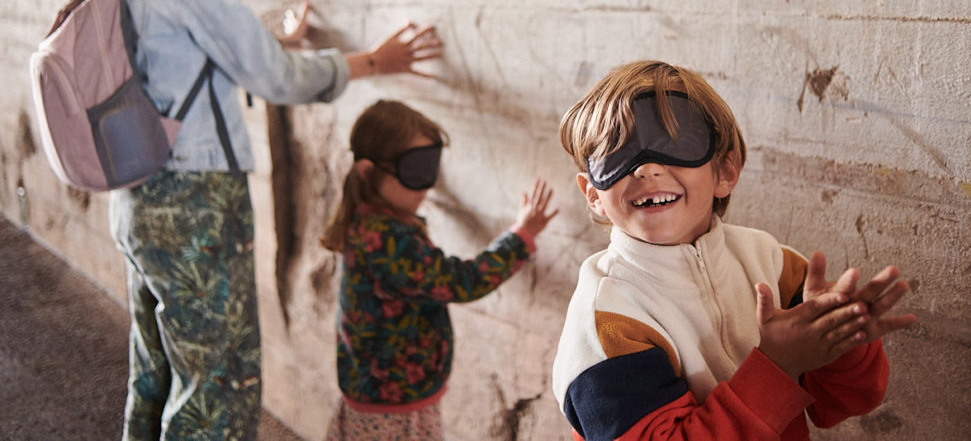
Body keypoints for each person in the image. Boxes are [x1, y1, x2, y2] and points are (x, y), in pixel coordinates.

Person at [108, 0, 443, 440]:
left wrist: (270, 38)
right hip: (195, 203)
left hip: (137, 196)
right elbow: (272, 79)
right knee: (218, 389)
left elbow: (186, 57)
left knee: (155, 374)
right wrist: (373, 61)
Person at [552, 60, 916, 440]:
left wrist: (842, 344)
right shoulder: (606, 320)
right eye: (618, 155)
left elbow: (841, 402)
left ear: (725, 171)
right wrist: (777, 366)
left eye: (674, 144)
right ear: (594, 195)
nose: (646, 169)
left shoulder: (774, 264)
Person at [319, 99, 560, 440]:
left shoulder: (369, 219)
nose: (427, 186)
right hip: (393, 408)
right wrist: (521, 237)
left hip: (377, 393)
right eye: (414, 172)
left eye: (430, 169)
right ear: (368, 172)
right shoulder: (388, 242)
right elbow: (464, 282)